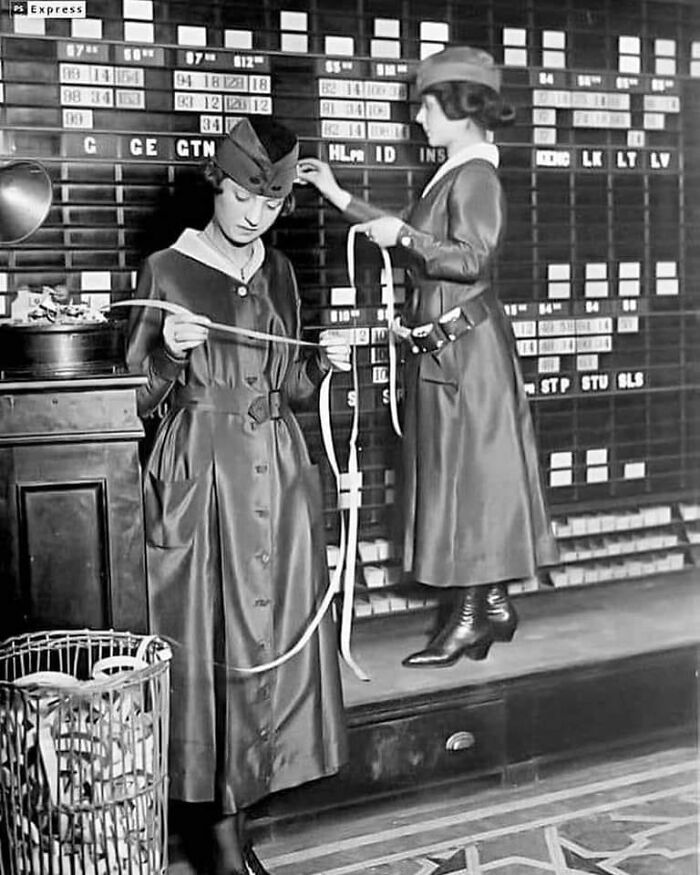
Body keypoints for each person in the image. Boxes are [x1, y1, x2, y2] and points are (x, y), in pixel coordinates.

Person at [127, 116, 349, 875]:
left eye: (273, 204)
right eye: (245, 196)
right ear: (216, 184)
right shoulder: (166, 267)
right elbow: (131, 399)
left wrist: (322, 361)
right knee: (211, 650)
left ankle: (241, 820)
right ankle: (219, 841)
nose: (257, 216)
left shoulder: (280, 271)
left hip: (276, 476)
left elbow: (287, 383)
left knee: (266, 647)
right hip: (203, 479)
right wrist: (165, 351)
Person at [298, 45, 558, 669]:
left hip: (466, 358)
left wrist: (406, 237)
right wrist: (340, 198)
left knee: (467, 485)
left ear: (460, 108)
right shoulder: (457, 171)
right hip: (455, 357)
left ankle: (469, 619)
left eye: (426, 106)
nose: (418, 118)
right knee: (468, 482)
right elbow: (422, 239)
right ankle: (490, 605)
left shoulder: (475, 176)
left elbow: (471, 258)